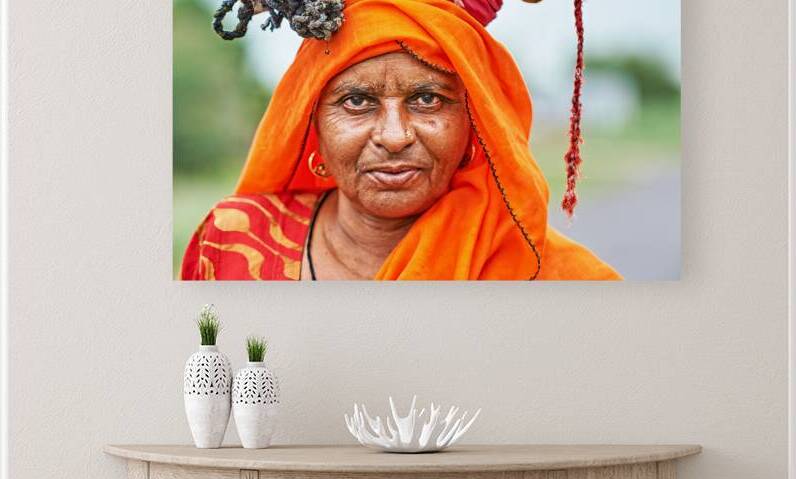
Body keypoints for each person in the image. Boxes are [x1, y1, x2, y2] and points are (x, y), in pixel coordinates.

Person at [181, 0, 621, 280]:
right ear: (312, 127)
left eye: (428, 99)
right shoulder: (231, 242)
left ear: (474, 124)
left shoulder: (569, 283)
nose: (394, 137)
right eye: (356, 101)